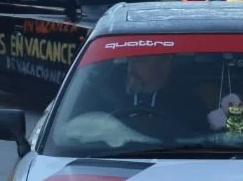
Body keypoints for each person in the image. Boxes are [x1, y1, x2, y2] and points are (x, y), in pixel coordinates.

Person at [76, 55, 207, 136]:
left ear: (164, 65)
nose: (130, 67)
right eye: (130, 60)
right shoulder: (104, 97)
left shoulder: (189, 106)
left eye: (140, 60)